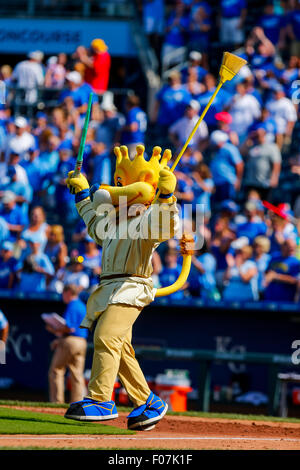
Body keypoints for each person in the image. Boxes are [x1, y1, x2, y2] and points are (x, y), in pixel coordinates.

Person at [64, 143, 179, 430]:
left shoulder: (147, 217)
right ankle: (148, 401)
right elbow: (93, 223)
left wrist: (166, 197)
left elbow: (166, 226)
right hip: (109, 288)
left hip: (131, 285)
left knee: (106, 336)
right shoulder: (113, 220)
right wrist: (81, 195)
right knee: (121, 347)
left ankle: (101, 400)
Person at [48, 284, 88, 403]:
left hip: (71, 341)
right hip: (82, 342)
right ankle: (78, 403)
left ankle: (57, 402)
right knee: (77, 374)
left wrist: (54, 329)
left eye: (63, 293)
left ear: (68, 292)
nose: (62, 296)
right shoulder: (82, 305)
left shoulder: (73, 305)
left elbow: (69, 328)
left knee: (56, 370)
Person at [241, 125, 281, 200]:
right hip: (252, 182)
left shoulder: (271, 147)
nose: (258, 135)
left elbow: (276, 163)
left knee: (265, 204)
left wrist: (274, 177)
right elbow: (242, 152)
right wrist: (249, 138)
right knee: (251, 204)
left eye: (260, 133)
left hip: (265, 182)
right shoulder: (252, 146)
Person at [209, 130, 244, 203]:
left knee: (228, 204)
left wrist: (238, 180)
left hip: (228, 182)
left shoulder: (230, 148)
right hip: (218, 182)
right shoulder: (215, 150)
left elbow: (239, 164)